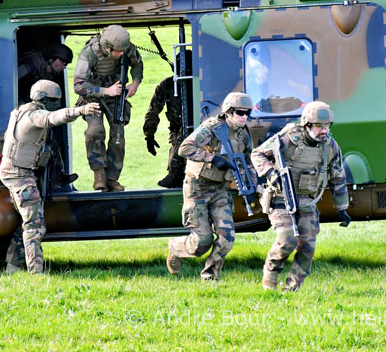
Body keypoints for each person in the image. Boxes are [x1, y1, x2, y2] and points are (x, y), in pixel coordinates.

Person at [0, 79, 100, 274]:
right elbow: (52, 118)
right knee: (34, 225)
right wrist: (81, 111)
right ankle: (36, 273)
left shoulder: (22, 110)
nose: (57, 103)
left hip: (17, 172)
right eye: (55, 100)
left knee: (27, 220)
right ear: (45, 99)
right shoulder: (33, 115)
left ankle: (12, 267)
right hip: (19, 174)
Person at [250, 100, 350, 291]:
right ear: (307, 125)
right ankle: (270, 279)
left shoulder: (330, 146)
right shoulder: (289, 138)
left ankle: (293, 288)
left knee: (307, 247)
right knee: (288, 238)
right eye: (320, 126)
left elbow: (338, 176)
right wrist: (271, 173)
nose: (324, 131)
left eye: (327, 126)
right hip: (281, 197)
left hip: (307, 201)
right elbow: (257, 154)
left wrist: (342, 208)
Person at [166, 92, 254, 281]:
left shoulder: (244, 134)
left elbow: (249, 162)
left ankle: (210, 276)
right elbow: (185, 148)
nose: (244, 117)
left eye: (248, 113)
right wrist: (212, 158)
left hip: (220, 189)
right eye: (240, 112)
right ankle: (176, 247)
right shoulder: (213, 128)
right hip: (197, 187)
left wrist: (252, 186)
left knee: (227, 238)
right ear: (229, 112)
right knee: (202, 241)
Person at [73, 25, 143, 191]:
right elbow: (79, 85)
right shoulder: (89, 52)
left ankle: (112, 178)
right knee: (95, 131)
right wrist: (105, 91)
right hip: (93, 94)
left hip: (116, 93)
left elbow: (137, 64)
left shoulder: (126, 48)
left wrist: (135, 82)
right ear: (107, 47)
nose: (122, 54)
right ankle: (99, 175)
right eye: (118, 51)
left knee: (118, 135)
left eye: (123, 51)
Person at [17, 43, 77, 187]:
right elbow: (11, 82)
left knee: (48, 136)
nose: (64, 67)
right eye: (62, 63)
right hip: (20, 112)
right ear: (52, 58)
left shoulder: (47, 73)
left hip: (30, 111)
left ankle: (57, 174)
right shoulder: (33, 64)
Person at [143, 51, 192, 188]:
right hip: (177, 134)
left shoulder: (200, 84)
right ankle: (176, 173)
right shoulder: (167, 85)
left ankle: (175, 172)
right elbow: (153, 111)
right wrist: (149, 135)